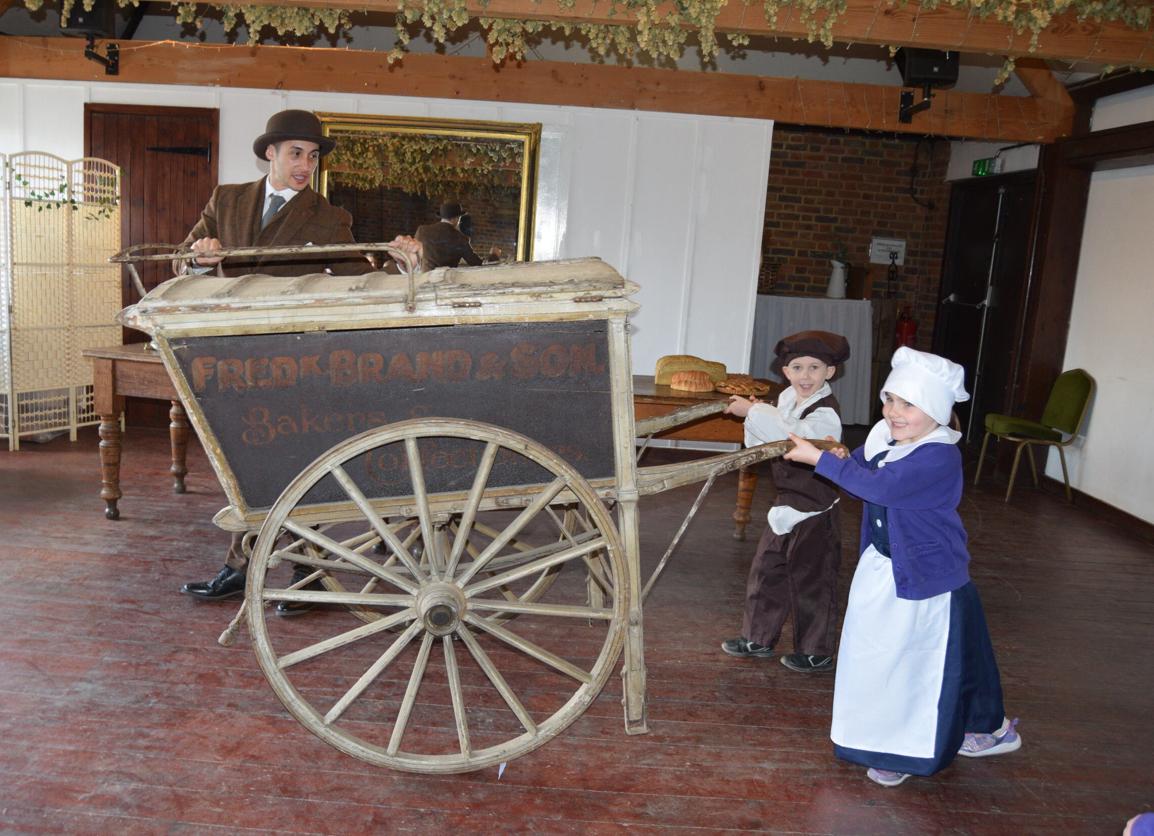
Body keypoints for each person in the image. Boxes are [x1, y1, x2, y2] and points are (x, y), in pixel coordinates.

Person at [178, 109, 420, 612]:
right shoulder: (227, 200)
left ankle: (309, 572)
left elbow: (360, 280)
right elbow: (181, 258)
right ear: (270, 153)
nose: (305, 165)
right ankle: (241, 567)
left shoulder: (328, 216)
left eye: (312, 156)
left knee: (300, 464)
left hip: (294, 359)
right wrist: (198, 258)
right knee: (244, 466)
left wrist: (401, 266)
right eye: (295, 153)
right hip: (232, 356)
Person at [784, 347, 1021, 787]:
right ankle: (985, 726)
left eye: (908, 404)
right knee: (882, 656)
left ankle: (903, 750)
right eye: (889, 399)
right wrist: (838, 456)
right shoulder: (887, 439)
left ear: (935, 410)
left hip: (926, 577)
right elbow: (860, 473)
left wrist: (822, 462)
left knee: (915, 663)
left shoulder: (938, 456)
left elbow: (883, 488)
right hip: (885, 567)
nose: (893, 411)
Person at [720, 330, 849, 673]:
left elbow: (794, 437)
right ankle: (758, 637)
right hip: (786, 503)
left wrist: (753, 410)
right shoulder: (788, 398)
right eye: (797, 368)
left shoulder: (826, 413)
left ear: (830, 372)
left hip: (815, 509)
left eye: (814, 368)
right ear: (785, 371)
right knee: (767, 571)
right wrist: (755, 413)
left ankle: (815, 650)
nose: (806, 376)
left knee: (812, 581)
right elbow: (769, 433)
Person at [415, 201, 488, 269]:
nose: (459, 221)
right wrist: (491, 258)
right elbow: (475, 262)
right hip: (446, 278)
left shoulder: (422, 231)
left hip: (425, 277)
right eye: (459, 218)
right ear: (455, 218)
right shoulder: (460, 238)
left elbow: (415, 255)